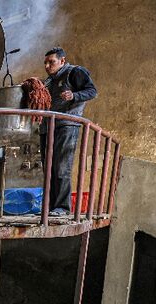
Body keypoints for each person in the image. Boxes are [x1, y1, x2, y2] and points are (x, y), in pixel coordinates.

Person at [40, 47, 97, 216]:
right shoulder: (48, 82)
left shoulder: (75, 72)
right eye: (45, 63)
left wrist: (74, 96)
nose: (47, 66)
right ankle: (49, 208)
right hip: (47, 127)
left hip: (66, 124)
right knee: (48, 168)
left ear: (62, 61)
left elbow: (92, 91)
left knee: (61, 167)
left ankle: (62, 208)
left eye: (52, 62)